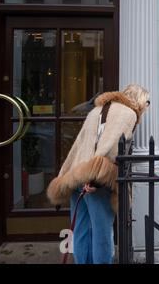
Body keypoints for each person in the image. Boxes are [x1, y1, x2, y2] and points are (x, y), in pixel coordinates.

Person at [47, 84, 150, 264]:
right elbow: (109, 146)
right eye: (146, 102)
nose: (146, 107)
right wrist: (94, 180)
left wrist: (66, 177)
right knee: (102, 233)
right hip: (96, 181)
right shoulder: (128, 114)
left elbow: (78, 146)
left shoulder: (97, 110)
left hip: (76, 177)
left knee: (81, 230)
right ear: (139, 100)